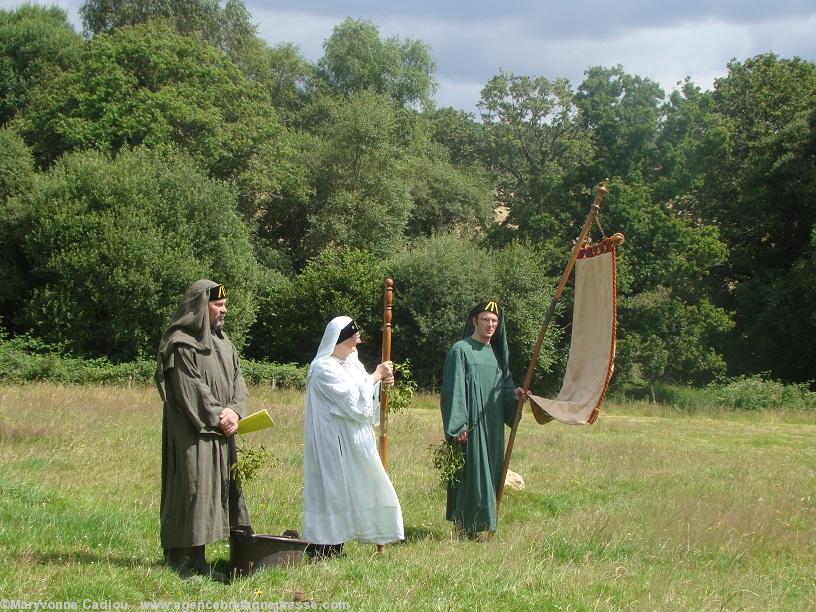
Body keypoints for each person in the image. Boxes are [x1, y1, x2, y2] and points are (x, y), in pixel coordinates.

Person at [154, 279, 252, 582]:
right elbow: (190, 388)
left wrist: (235, 409)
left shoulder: (224, 342)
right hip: (192, 432)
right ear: (200, 306)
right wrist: (218, 415)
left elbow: (238, 381)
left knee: (214, 491)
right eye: (217, 305)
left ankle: (199, 559)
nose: (224, 310)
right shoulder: (181, 343)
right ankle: (180, 560)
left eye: (225, 305)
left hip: (221, 432)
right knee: (191, 489)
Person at [302, 316, 404, 558]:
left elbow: (365, 391)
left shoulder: (352, 363)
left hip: (353, 439)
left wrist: (382, 381)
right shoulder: (323, 367)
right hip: (331, 441)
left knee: (358, 486)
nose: (359, 341)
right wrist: (377, 375)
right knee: (332, 490)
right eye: (355, 336)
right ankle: (323, 547)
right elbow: (350, 398)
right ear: (341, 339)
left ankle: (344, 541)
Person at [441, 300, 525, 538]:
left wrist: (515, 395)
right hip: (471, 426)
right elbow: (454, 389)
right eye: (485, 319)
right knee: (471, 475)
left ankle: (483, 525)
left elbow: (504, 387)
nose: (490, 325)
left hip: (493, 427)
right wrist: (458, 425)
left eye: (494, 321)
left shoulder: (497, 354)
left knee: (490, 474)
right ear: (474, 321)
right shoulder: (461, 350)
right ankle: (464, 527)